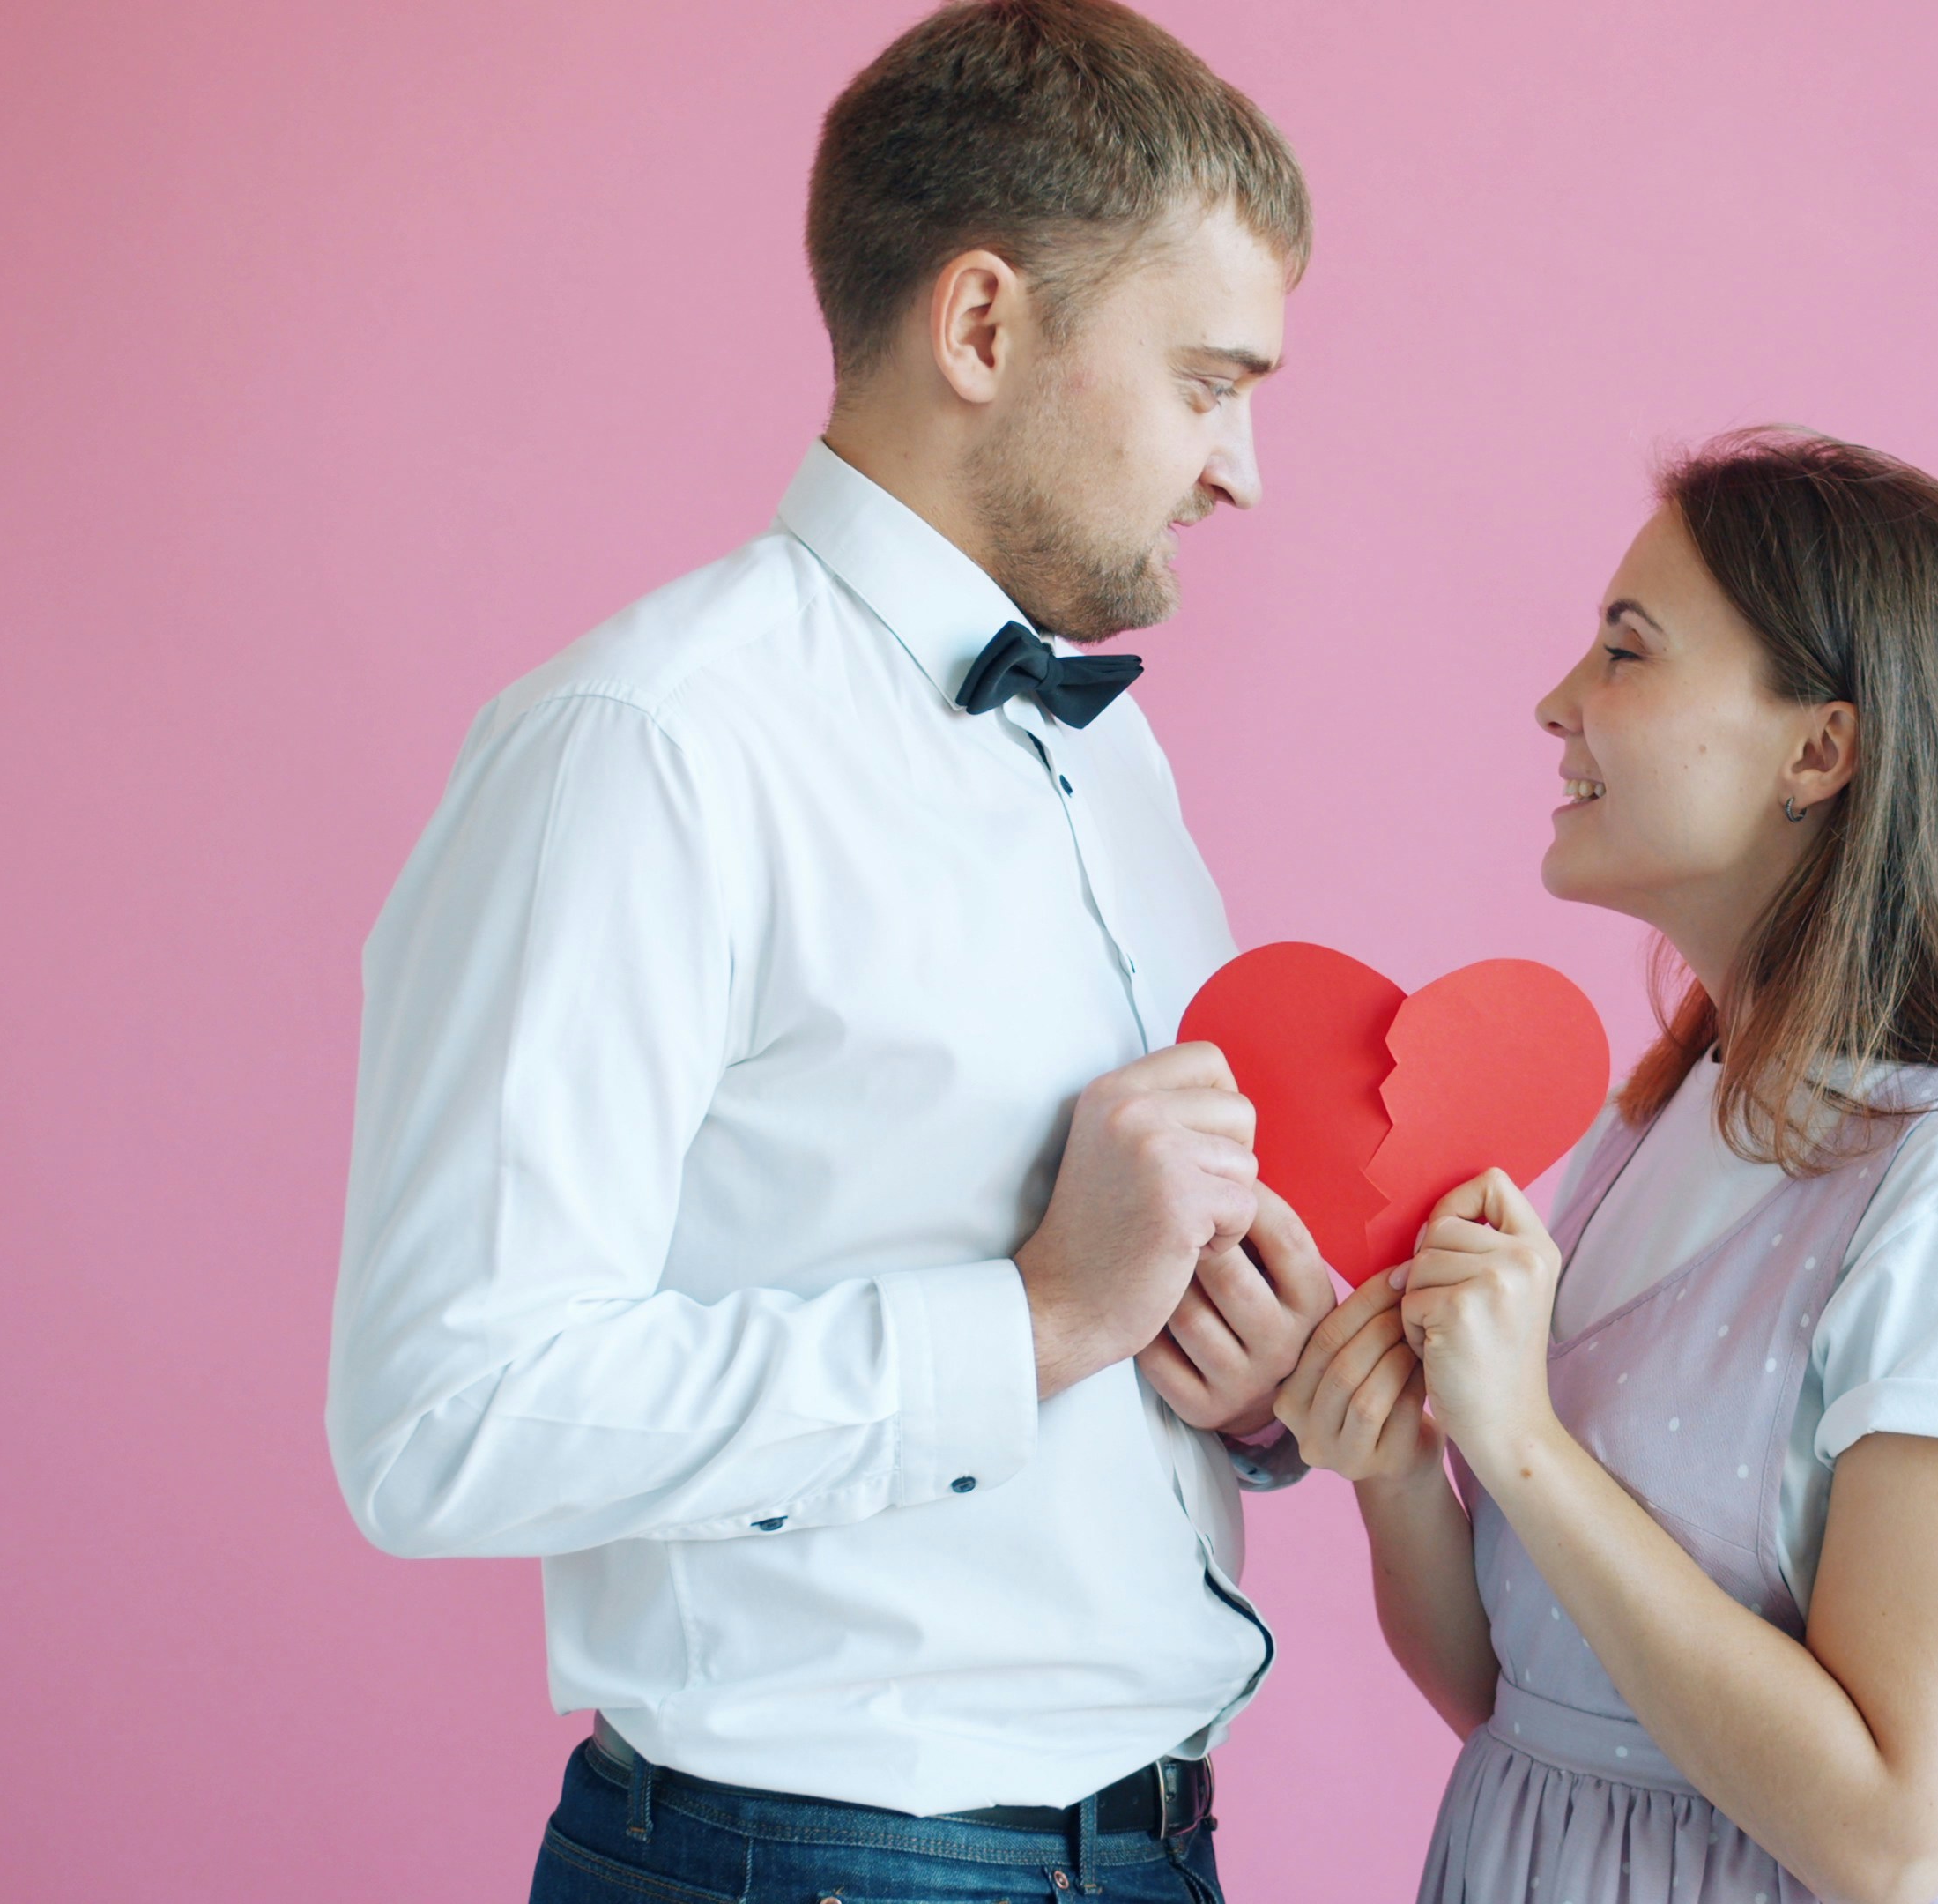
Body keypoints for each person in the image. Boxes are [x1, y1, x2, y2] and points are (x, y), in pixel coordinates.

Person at [325, 6, 1326, 1900]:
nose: (1240, 468)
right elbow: (442, 1417)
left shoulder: (1103, 760)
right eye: (1207, 380)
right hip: (813, 1864)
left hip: (1153, 1845)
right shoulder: (649, 747)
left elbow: (1085, 1329)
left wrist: (1238, 1385)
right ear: (980, 327)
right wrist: (1030, 1321)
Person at [1274, 430, 1938, 1904]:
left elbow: (1889, 1837)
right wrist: (1394, 1468)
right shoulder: (1658, 1121)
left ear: (1819, 751)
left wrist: (1519, 1444)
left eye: (1627, 655)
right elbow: (1534, 1710)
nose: (1557, 703)